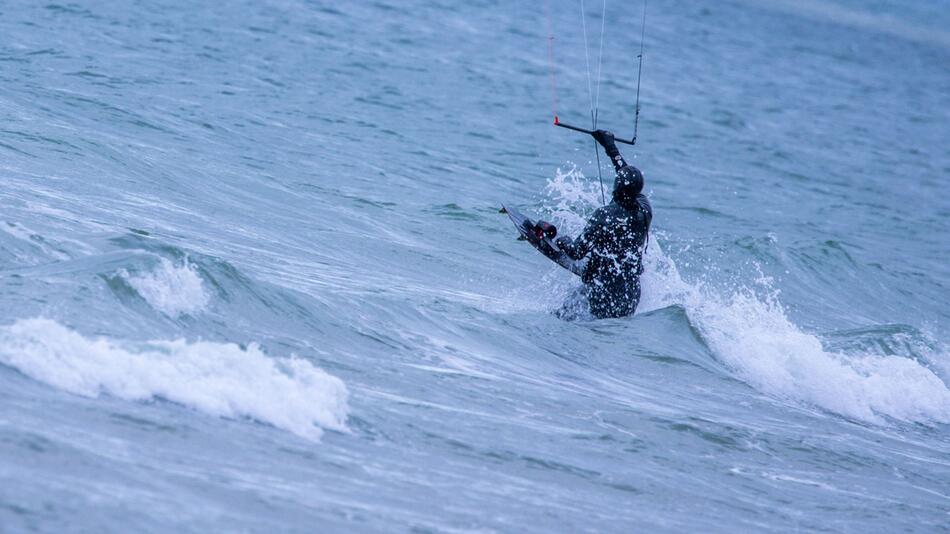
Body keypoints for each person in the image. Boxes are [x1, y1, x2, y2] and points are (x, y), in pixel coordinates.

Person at [554, 129, 652, 319]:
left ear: (616, 187)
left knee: (561, 317)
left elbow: (576, 252)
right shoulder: (645, 211)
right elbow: (627, 176)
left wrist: (562, 240)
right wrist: (611, 147)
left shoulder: (604, 216)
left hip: (601, 293)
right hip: (630, 296)